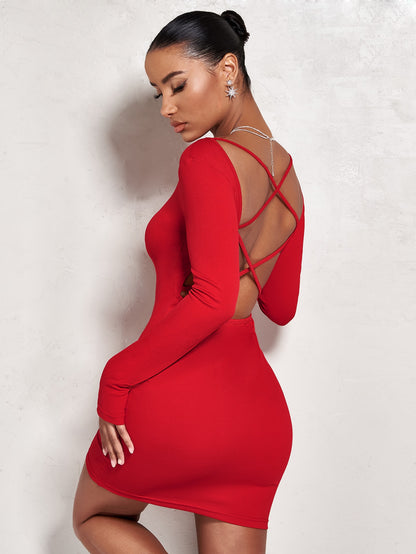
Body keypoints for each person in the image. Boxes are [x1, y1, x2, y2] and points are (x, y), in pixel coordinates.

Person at [73, 9, 305, 554]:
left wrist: (116, 379)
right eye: (158, 93)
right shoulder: (288, 174)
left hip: (179, 401)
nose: (166, 108)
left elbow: (214, 297)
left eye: (177, 86)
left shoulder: (207, 158)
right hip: (257, 424)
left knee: (94, 516)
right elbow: (280, 305)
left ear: (228, 69)